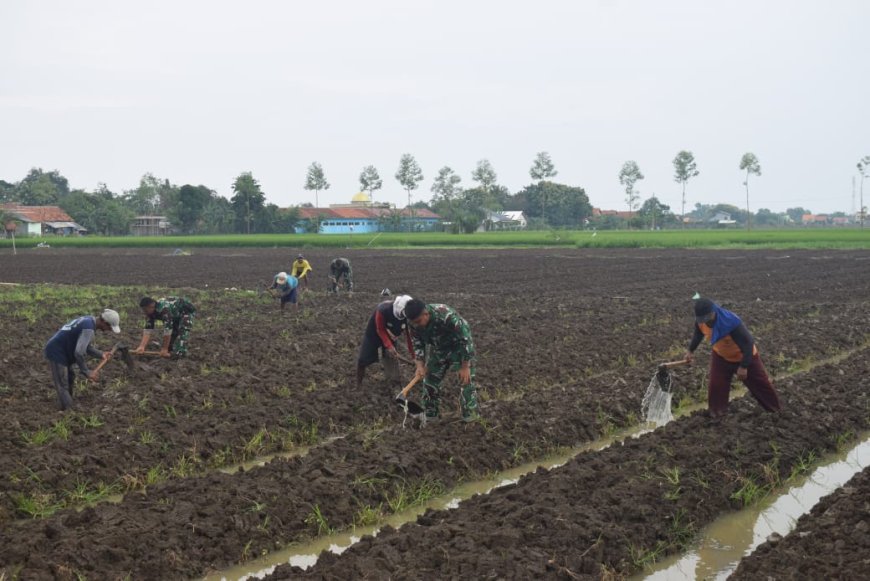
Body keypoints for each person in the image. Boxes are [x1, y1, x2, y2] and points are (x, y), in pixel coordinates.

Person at [684, 296, 781, 418]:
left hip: (745, 356)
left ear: (714, 311)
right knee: (716, 385)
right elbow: (698, 334)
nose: (706, 321)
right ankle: (717, 414)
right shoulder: (701, 322)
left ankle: (776, 411)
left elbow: (748, 343)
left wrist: (744, 366)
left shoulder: (731, 322)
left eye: (708, 318)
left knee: (761, 384)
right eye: (703, 319)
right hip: (721, 356)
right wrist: (690, 351)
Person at [405, 299, 480, 422]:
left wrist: (465, 366)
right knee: (429, 380)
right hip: (439, 349)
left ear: (426, 313)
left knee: (465, 381)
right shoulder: (413, 323)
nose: (417, 325)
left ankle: (470, 418)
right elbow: (417, 344)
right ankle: (430, 416)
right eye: (414, 322)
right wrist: (419, 365)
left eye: (418, 321)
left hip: (458, 347)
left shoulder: (446, 315)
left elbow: (465, 339)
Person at [44, 309, 121, 410]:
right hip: (57, 351)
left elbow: (85, 347)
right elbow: (79, 352)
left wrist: (101, 354)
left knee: (70, 377)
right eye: (109, 327)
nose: (109, 330)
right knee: (62, 383)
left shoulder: (88, 320)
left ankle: (67, 403)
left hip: (63, 350)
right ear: (104, 322)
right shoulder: (88, 328)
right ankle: (69, 411)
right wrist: (86, 371)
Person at [357, 294, 414, 390]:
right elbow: (380, 329)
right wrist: (389, 346)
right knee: (363, 359)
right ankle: (359, 384)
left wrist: (414, 356)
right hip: (373, 333)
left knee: (391, 358)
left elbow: (409, 337)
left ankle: (393, 383)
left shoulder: (409, 315)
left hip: (391, 335)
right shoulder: (383, 309)